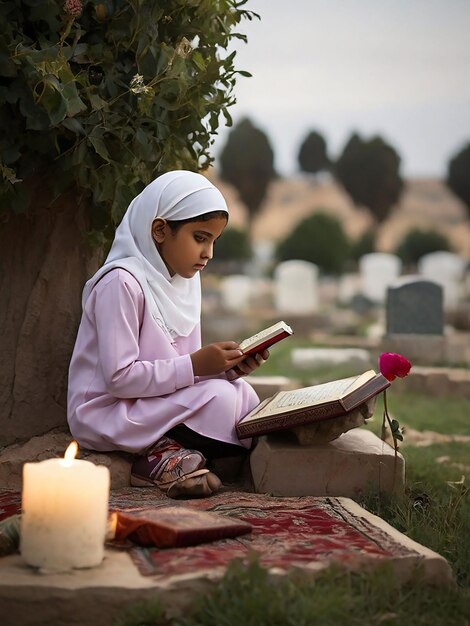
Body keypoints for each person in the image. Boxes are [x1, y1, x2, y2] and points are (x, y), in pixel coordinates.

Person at [67, 170, 268, 498]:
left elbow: (178, 369)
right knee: (223, 400)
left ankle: (171, 452)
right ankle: (156, 456)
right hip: (108, 410)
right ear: (160, 230)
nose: (208, 254)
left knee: (241, 393)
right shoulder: (121, 283)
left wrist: (224, 369)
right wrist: (196, 366)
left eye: (213, 241)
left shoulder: (186, 282)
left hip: (153, 400)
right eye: (200, 238)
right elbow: (119, 378)